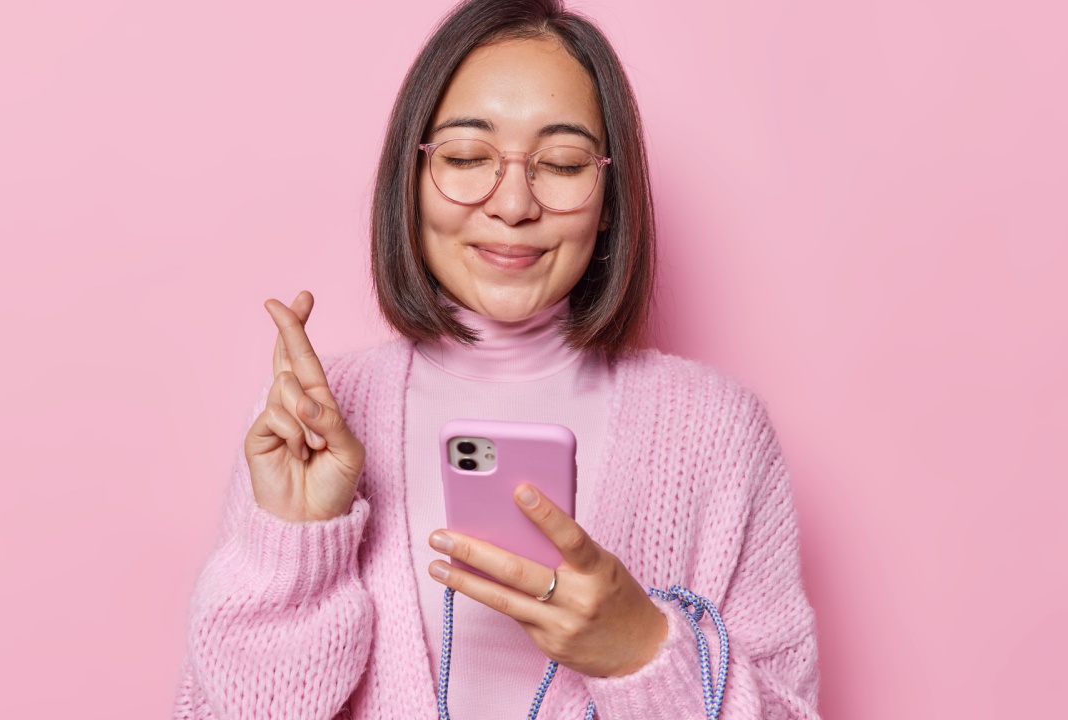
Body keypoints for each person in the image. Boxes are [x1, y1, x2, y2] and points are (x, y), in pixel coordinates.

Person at [174, 0, 820, 717]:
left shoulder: (716, 430)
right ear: (411, 180)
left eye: (564, 163)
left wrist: (640, 651)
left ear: (609, 197)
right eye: (465, 157)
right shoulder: (314, 417)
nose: (513, 204)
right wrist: (293, 549)